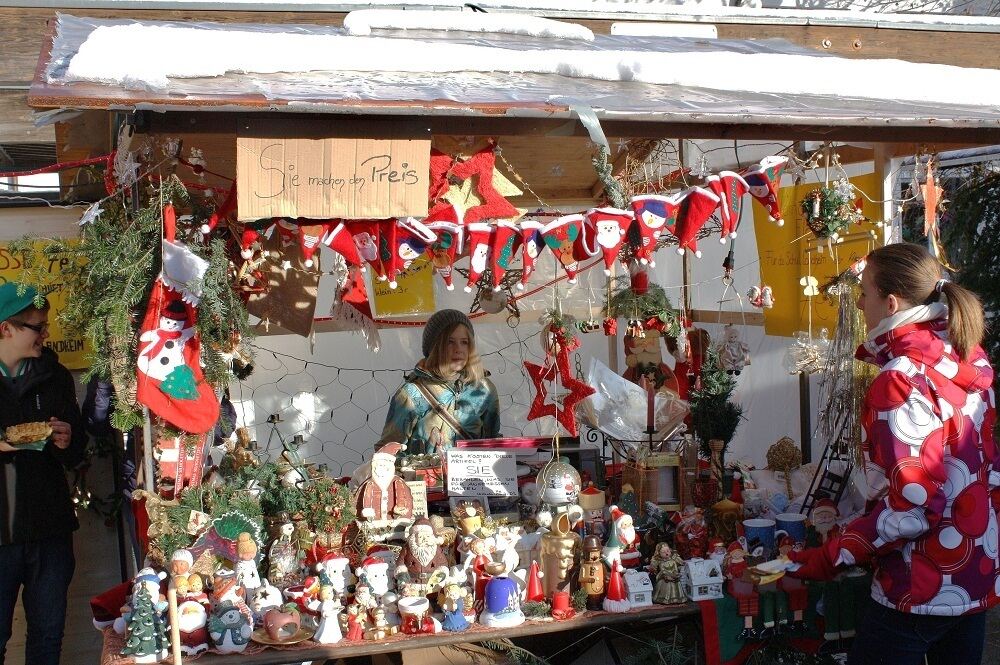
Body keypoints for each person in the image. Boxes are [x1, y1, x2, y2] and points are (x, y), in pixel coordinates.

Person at [787, 243, 996, 665]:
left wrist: (832, 555)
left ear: (891, 303)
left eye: (865, 291)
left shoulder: (899, 380)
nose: (860, 302)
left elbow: (915, 507)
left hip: (917, 585)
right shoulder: (967, 364)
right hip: (975, 577)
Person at [0, 283, 86, 665]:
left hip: (49, 528)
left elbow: (79, 450)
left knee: (47, 639)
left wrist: (68, 438)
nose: (46, 334)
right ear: (6, 329)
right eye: (37, 326)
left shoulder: (54, 374)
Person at [380, 309, 499, 455]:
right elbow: (387, 453)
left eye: (464, 342)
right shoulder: (411, 394)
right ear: (435, 347)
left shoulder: (484, 390)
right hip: (426, 477)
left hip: (474, 476)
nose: (459, 350)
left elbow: (493, 443)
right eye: (450, 342)